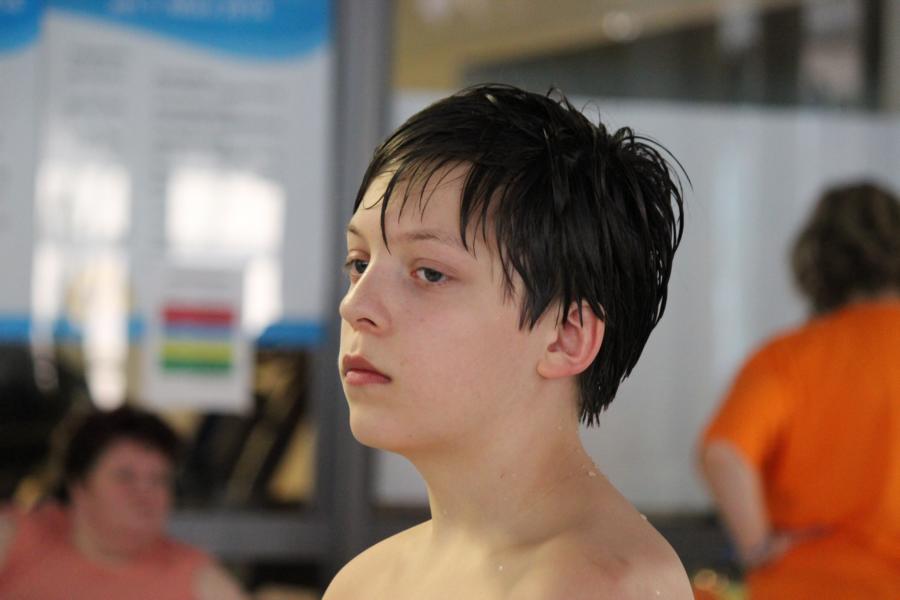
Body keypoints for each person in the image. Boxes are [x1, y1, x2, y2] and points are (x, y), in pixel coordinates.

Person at [325, 84, 692, 599]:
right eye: (359, 263)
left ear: (565, 337)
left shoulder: (597, 587)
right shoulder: (367, 582)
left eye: (429, 273)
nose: (355, 305)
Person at [699, 182, 900, 598]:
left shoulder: (787, 358)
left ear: (817, 262)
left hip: (802, 585)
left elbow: (723, 454)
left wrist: (758, 548)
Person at [0, 406, 248, 600]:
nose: (145, 494)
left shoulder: (199, 581)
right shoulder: (16, 539)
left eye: (159, 480)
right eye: (125, 477)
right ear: (79, 487)